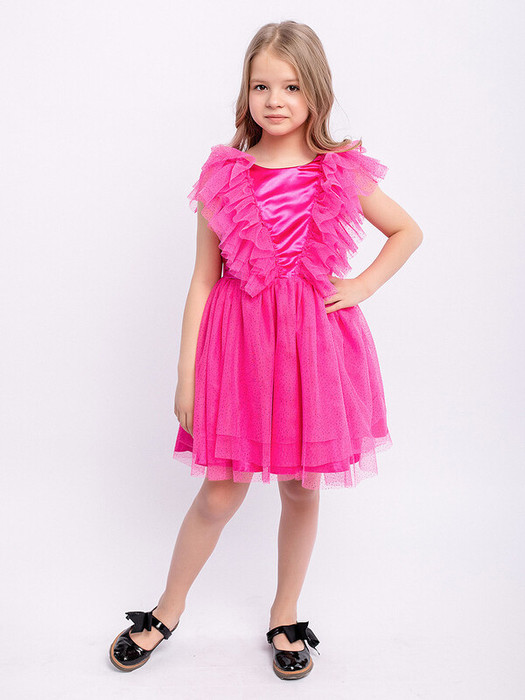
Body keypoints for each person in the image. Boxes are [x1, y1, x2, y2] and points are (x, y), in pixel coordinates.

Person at [109, 20, 423, 681]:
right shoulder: (225, 174)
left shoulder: (339, 172)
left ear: (316, 93)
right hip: (239, 352)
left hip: (312, 350)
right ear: (245, 93)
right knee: (219, 495)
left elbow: (406, 231)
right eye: (261, 86)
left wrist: (360, 286)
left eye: (291, 86)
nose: (274, 99)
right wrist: (185, 374)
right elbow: (203, 279)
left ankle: (285, 614)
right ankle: (167, 609)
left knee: (301, 489)